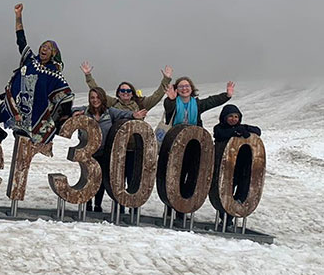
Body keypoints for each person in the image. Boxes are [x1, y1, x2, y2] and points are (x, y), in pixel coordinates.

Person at [0, 3, 73, 144]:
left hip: (32, 117)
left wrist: (64, 116)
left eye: (48, 48)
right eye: (43, 46)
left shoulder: (54, 74)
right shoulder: (30, 60)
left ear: (54, 54)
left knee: (22, 147)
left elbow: (65, 96)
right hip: (11, 106)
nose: (44, 49)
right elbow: (21, 40)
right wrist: (18, 16)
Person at [79, 61, 172, 205]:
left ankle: (132, 208)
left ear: (132, 93)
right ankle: (116, 208)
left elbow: (157, 96)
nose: (125, 93)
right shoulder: (113, 104)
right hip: (117, 150)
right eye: (122, 91)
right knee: (116, 180)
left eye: (128, 91)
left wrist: (166, 79)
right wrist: (88, 75)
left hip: (135, 149)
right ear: (118, 93)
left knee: (134, 178)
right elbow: (96, 92)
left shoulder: (141, 103)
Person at [163, 77, 234, 219]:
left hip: (192, 146)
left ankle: (181, 209)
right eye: (181, 86)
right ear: (176, 89)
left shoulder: (197, 104)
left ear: (191, 88)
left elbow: (211, 101)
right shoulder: (172, 102)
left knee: (191, 175)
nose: (184, 88)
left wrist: (227, 95)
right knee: (174, 176)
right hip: (175, 145)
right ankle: (170, 208)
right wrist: (171, 99)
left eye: (187, 86)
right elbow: (169, 108)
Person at [71, 87, 147, 213]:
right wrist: (73, 114)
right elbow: (67, 110)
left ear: (103, 98)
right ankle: (87, 204)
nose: (95, 100)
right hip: (88, 152)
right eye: (92, 98)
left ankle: (97, 205)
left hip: (104, 152)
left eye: (98, 97)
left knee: (100, 180)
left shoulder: (109, 112)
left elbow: (123, 114)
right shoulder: (85, 111)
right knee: (87, 178)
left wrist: (134, 115)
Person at [213, 104, 261, 228]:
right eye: (230, 116)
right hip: (226, 168)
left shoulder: (242, 127)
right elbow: (220, 134)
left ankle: (231, 216)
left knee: (242, 192)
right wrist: (236, 131)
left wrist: (244, 128)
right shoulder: (219, 128)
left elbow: (258, 131)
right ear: (224, 117)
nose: (233, 119)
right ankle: (225, 219)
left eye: (236, 116)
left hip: (242, 168)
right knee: (224, 193)